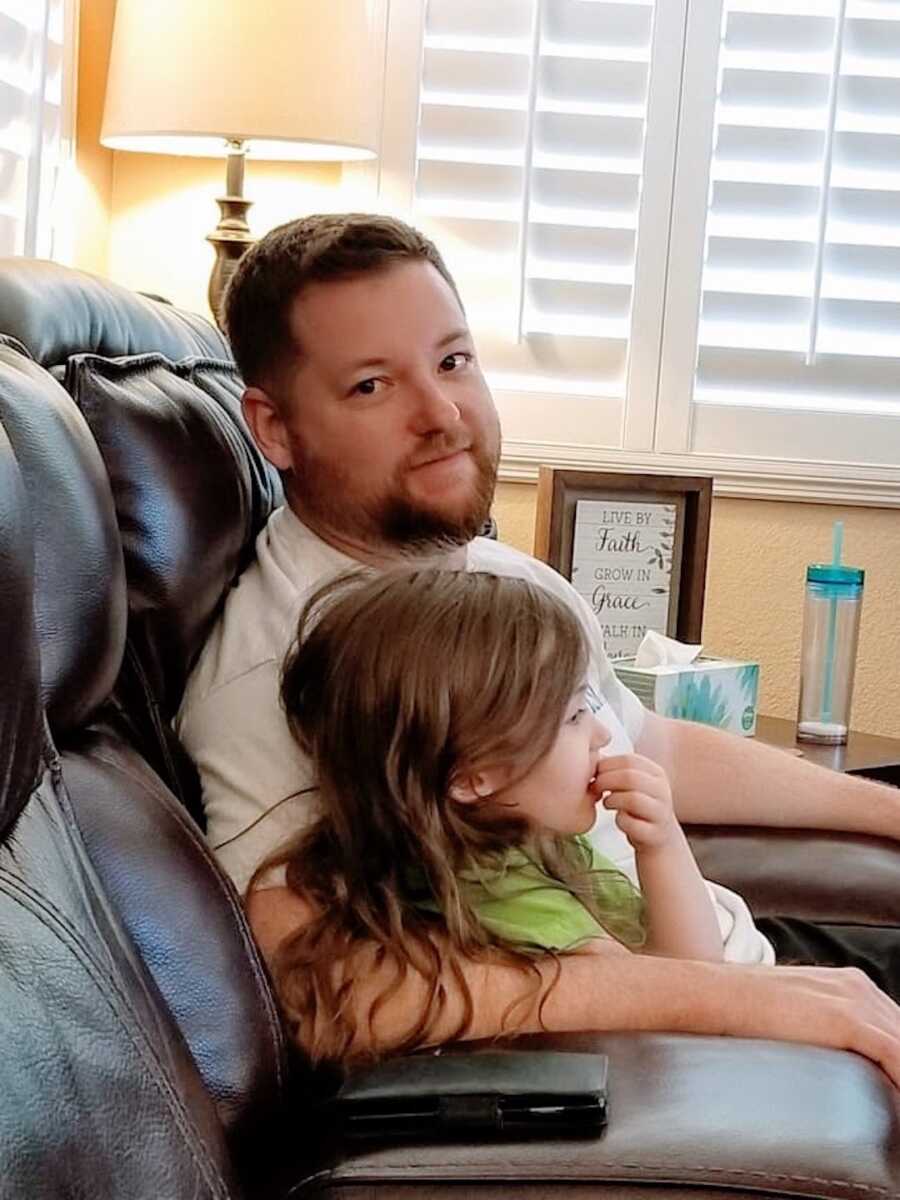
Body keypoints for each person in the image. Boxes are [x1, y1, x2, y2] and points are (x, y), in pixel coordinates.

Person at [176, 213, 900, 1083]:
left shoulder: (496, 583)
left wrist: (885, 813)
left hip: (727, 949)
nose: (443, 415)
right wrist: (739, 1001)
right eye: (372, 386)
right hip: (684, 1018)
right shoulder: (285, 682)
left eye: (453, 362)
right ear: (275, 428)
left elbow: (652, 742)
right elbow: (317, 973)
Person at [256, 566, 725, 1064]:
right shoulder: (506, 896)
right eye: (572, 718)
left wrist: (662, 845)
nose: (601, 736)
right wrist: (663, 849)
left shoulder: (525, 839)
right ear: (470, 776)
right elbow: (690, 994)